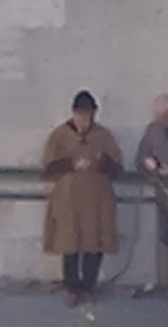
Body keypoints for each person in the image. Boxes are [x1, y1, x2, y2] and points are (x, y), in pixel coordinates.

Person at [48, 92, 126, 300]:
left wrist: (102, 162)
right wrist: (70, 164)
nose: (84, 120)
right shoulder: (60, 135)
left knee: (95, 242)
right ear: (73, 114)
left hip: (97, 199)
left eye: (88, 115)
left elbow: (118, 168)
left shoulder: (104, 136)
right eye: (81, 115)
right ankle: (71, 287)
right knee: (70, 243)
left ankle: (88, 286)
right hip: (69, 198)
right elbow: (47, 168)